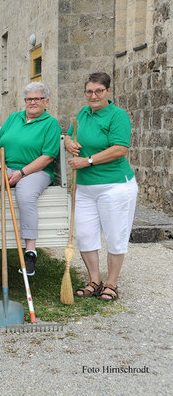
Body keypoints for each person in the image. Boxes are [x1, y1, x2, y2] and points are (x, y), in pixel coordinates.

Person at [0, 81, 61, 276]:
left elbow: (48, 156)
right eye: (29, 99)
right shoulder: (13, 118)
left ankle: (30, 251)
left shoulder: (50, 124)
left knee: (25, 193)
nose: (32, 102)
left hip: (37, 171)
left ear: (46, 101)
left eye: (37, 99)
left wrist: (22, 173)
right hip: (8, 166)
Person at [66, 72, 137, 301]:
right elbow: (68, 135)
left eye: (98, 91)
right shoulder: (82, 114)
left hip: (114, 186)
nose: (93, 95)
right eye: (89, 91)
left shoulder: (117, 115)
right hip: (85, 187)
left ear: (108, 92)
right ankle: (94, 280)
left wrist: (87, 161)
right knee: (86, 235)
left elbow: (120, 148)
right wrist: (69, 143)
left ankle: (112, 283)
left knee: (116, 235)